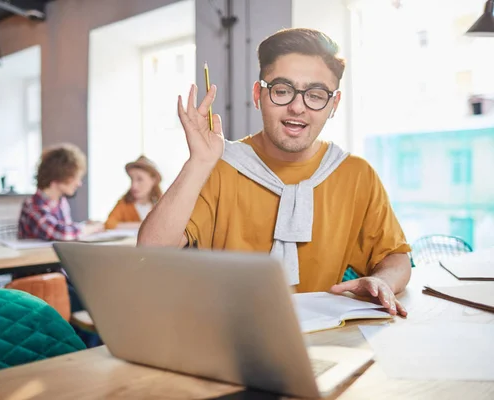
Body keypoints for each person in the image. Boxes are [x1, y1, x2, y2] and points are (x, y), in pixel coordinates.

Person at [138, 28, 412, 316]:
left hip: (321, 340)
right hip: (225, 333)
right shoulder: (219, 166)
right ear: (258, 94)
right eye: (282, 90)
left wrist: (382, 280)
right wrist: (199, 162)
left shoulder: (356, 174)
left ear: (334, 104)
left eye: (316, 95)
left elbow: (395, 256)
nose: (297, 107)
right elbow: (151, 251)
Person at [19, 143, 103, 241]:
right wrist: (92, 228)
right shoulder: (32, 206)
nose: (79, 183)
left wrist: (85, 225)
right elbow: (60, 233)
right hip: (37, 256)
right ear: (59, 175)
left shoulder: (61, 202)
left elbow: (67, 229)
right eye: (75, 177)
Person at [105, 155, 163, 230]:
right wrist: (144, 225)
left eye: (140, 179)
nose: (133, 186)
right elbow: (109, 224)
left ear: (153, 180)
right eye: (132, 179)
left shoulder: (162, 203)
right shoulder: (124, 203)